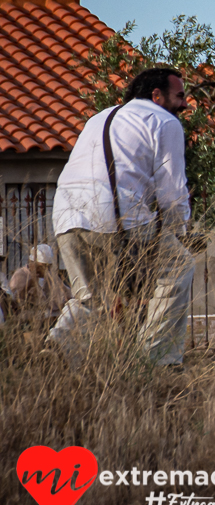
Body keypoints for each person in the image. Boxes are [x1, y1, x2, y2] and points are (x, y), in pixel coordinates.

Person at [48, 66, 194, 367]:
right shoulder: (165, 121)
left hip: (65, 215)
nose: (185, 104)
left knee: (91, 298)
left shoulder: (99, 117)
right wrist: (181, 231)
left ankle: (55, 348)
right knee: (179, 267)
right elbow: (172, 193)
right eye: (180, 96)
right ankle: (157, 359)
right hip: (116, 216)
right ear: (157, 95)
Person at [9, 243, 71, 320]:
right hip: (30, 316)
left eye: (48, 266)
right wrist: (29, 284)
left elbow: (66, 292)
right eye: (42, 267)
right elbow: (14, 301)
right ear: (31, 263)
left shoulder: (50, 275)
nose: (45, 270)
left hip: (52, 314)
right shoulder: (20, 275)